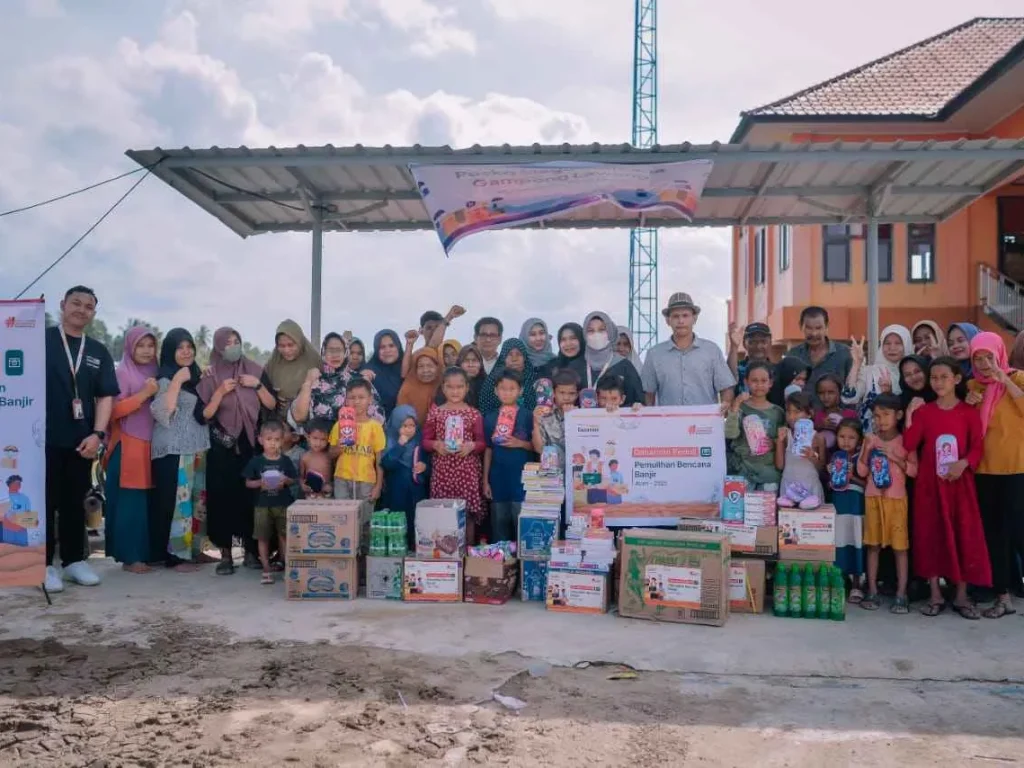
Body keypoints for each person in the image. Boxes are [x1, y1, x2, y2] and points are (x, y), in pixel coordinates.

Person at [43, 286, 119, 592]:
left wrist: (98, 434)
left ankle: (73, 561)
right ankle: (43, 565)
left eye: (88, 307)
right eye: (76, 303)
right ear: (63, 305)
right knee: (44, 503)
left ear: (93, 313)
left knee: (75, 503)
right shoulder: (40, 341)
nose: (81, 310)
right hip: (41, 439)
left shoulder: (98, 351)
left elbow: (106, 396)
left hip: (82, 442)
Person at [903, 357, 990, 619]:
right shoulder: (925, 412)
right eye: (934, 378)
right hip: (930, 486)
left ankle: (961, 595)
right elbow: (909, 443)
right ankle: (935, 594)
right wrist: (910, 415)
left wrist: (964, 463)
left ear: (956, 379)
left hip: (959, 486)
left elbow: (977, 447)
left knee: (962, 535)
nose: (938, 382)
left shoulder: (969, 413)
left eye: (944, 377)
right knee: (930, 535)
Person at [198, 327, 274, 574]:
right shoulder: (210, 375)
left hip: (250, 445)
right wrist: (220, 392)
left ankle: (251, 552)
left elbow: (271, 404)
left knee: (250, 500)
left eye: (236, 341)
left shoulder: (254, 370)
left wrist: (257, 384)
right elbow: (203, 415)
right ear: (219, 347)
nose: (233, 346)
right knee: (222, 501)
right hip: (222, 448)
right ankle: (225, 556)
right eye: (227, 343)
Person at [965, 332, 1024, 619]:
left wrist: (1006, 382)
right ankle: (1003, 598)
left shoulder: (1018, 379)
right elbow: (969, 429)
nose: (984, 363)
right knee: (995, 536)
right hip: (985, 471)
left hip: (1016, 469)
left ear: (999, 354)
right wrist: (968, 403)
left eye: (989, 357)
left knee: (1020, 533)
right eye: (978, 358)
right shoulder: (972, 386)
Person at [150, 329, 210, 570]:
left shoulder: (196, 377)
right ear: (170, 351)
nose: (186, 352)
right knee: (177, 504)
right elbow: (164, 413)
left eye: (189, 347)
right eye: (180, 348)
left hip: (196, 448)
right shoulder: (164, 378)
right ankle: (175, 557)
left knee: (196, 502)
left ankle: (193, 550)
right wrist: (177, 381)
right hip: (173, 450)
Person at [104, 325, 159, 575]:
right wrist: (144, 394)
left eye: (151, 345)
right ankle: (130, 556)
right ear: (130, 348)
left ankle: (149, 553)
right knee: (131, 502)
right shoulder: (123, 373)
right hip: (129, 443)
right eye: (141, 346)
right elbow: (113, 411)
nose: (146, 351)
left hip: (153, 443)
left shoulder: (157, 371)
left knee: (148, 500)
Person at [856, 393, 915, 615]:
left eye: (886, 415)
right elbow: (862, 471)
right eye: (877, 416)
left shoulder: (906, 440)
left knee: (900, 547)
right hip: (873, 498)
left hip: (896, 500)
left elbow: (914, 470)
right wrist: (867, 450)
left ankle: (901, 593)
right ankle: (871, 589)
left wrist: (895, 457)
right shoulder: (870, 439)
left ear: (898, 415)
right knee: (872, 545)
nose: (881, 420)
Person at [423, 367, 486, 542]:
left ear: (467, 388)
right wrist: (436, 445)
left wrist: (471, 446)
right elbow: (425, 441)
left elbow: (482, 443)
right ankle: (445, 553)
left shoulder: (474, 414)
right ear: (443, 388)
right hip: (443, 472)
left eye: (459, 387)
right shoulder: (436, 412)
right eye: (450, 387)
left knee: (468, 513)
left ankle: (468, 551)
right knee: (443, 513)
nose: (455, 391)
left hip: (467, 471)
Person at [641, 294, 734, 408]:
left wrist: (724, 407)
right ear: (668, 320)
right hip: (668, 419)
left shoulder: (711, 351)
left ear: (694, 319)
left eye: (685, 315)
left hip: (705, 419)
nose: (681, 321)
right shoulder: (654, 354)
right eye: (675, 316)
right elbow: (648, 394)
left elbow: (726, 387)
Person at [329, 379, 385, 554]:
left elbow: (380, 460)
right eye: (352, 397)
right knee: (343, 519)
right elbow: (330, 454)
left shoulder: (375, 427)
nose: (357, 401)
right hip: (342, 478)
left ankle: (364, 560)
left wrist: (378, 486)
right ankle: (345, 557)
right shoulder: (339, 425)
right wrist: (341, 446)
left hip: (366, 480)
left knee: (365, 521)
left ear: (370, 399)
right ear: (346, 400)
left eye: (361, 397)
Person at [242, 421, 297, 585]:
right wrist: (261, 483)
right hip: (262, 506)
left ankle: (286, 566)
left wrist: (285, 481)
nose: (273, 443)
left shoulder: (285, 461)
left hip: (282, 503)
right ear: (260, 440)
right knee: (263, 537)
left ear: (282, 440)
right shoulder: (256, 461)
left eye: (277, 439)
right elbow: (247, 483)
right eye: (269, 439)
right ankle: (266, 569)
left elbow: (293, 480)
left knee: (284, 535)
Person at [483, 370, 534, 543]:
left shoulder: (528, 416)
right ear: (496, 391)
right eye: (502, 389)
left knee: (522, 525)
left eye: (512, 389)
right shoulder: (490, 418)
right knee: (499, 524)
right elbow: (488, 450)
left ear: (520, 391)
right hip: (498, 479)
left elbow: (537, 447)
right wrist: (485, 481)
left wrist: (520, 443)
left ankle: (521, 559)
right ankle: (501, 558)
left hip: (522, 480)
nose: (507, 393)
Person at [725, 362, 785, 490]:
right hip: (742, 469)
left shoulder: (777, 412)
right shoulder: (740, 407)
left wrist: (775, 443)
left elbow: (784, 441)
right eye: (754, 380)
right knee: (739, 502)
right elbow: (730, 434)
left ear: (770, 383)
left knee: (767, 502)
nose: (759, 385)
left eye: (764, 381)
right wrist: (735, 405)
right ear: (746, 382)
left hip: (768, 472)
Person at [843, 325, 913, 434]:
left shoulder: (912, 374)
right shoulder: (870, 372)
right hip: (869, 437)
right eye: (887, 343)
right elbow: (848, 398)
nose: (892, 348)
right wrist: (856, 364)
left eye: (898, 343)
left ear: (906, 345)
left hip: (902, 436)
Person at [381, 405, 430, 550]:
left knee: (416, 519)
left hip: (416, 490)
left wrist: (424, 466)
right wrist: (400, 445)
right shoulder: (390, 439)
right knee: (398, 520)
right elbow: (387, 463)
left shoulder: (419, 440)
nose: (409, 429)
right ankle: (398, 549)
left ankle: (415, 549)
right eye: (404, 426)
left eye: (412, 425)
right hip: (397, 489)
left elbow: (428, 461)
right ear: (396, 425)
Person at [829, 418, 866, 602]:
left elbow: (869, 484)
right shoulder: (835, 457)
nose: (846, 441)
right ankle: (840, 581)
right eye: (842, 436)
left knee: (856, 541)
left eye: (851, 437)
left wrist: (852, 477)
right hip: (839, 505)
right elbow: (830, 484)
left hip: (856, 507)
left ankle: (857, 584)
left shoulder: (862, 458)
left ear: (859, 440)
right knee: (839, 541)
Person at [784, 306, 853, 395]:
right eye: (809, 328)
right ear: (800, 326)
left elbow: (853, 388)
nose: (814, 333)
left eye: (818, 328)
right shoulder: (793, 355)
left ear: (827, 327)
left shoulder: (845, 353)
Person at [582, 311, 645, 406]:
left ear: (610, 333)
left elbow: (638, 401)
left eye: (602, 330)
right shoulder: (576, 365)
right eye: (591, 330)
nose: (596, 335)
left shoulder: (624, 366)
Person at [775, 392, 825, 509]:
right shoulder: (786, 435)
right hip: (789, 489)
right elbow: (780, 465)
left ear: (809, 414)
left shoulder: (818, 438)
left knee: (810, 519)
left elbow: (821, 468)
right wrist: (779, 442)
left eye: (797, 412)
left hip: (810, 487)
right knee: (789, 519)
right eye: (788, 412)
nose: (791, 416)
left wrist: (812, 457)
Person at [263, 319, 321, 420]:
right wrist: (274, 395)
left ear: (299, 342)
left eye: (291, 345)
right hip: (278, 419)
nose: (286, 350)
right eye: (282, 346)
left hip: (307, 420)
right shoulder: (274, 361)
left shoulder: (314, 361)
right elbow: (264, 384)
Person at [292, 332, 349, 426]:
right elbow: (299, 417)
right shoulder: (314, 379)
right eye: (331, 350)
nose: (335, 355)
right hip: (317, 434)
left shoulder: (356, 380)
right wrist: (308, 382)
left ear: (345, 353)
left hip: (348, 434)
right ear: (323, 352)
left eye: (339, 350)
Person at [532, 369, 580, 468]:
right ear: (553, 393)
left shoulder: (582, 415)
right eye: (562, 393)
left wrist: (573, 418)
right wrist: (535, 422)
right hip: (552, 472)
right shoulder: (543, 414)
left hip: (577, 470)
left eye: (571, 393)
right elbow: (539, 449)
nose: (566, 398)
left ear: (577, 394)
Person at [479, 338, 538, 415]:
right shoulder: (492, 381)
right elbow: (486, 413)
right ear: (503, 358)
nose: (514, 359)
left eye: (519, 354)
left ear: (524, 358)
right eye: (510, 354)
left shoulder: (534, 380)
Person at [365, 329, 405, 418]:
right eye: (382, 347)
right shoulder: (368, 371)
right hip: (376, 424)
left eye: (391, 345)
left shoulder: (409, 367)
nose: (387, 350)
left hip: (407, 424)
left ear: (398, 347)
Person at [397, 348, 443, 426]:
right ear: (415, 369)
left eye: (430, 365)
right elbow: (401, 420)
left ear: (437, 367)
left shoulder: (444, 385)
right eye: (421, 366)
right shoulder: (407, 390)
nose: (425, 370)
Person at [814, 374, 857, 453]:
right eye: (821, 393)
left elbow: (856, 438)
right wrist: (821, 426)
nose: (826, 397)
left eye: (831, 392)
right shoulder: (817, 415)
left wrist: (842, 426)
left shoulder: (850, 415)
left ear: (840, 392)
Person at [728, 321, 772, 396]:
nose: (758, 346)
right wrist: (734, 346)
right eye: (752, 342)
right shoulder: (739, 369)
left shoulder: (779, 370)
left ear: (770, 343)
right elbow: (729, 375)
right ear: (744, 344)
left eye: (763, 341)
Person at [299, 420, 334, 499]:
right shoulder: (305, 457)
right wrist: (303, 485)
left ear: (329, 439)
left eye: (323, 439)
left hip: (328, 496)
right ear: (308, 437)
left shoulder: (330, 457)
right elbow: (301, 477)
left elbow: (335, 476)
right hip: (310, 496)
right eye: (315, 438)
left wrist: (331, 486)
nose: (318, 443)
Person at [454, 344, 485, 408]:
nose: (471, 365)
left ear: (481, 364)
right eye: (466, 360)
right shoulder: (450, 384)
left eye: (474, 360)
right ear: (459, 364)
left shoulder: (488, 385)